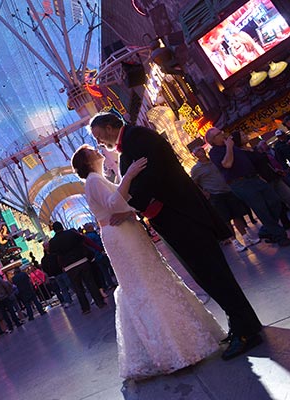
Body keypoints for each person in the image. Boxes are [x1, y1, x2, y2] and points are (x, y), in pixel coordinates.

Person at [90, 112, 262, 360]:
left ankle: (246, 331)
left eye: (98, 135)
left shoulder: (137, 139)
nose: (100, 142)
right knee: (208, 274)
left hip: (181, 217)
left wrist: (131, 201)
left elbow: (152, 178)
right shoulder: (131, 142)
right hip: (176, 217)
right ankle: (243, 323)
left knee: (213, 273)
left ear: (108, 126)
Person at [72, 144, 226, 379]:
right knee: (143, 281)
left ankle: (178, 342)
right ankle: (171, 348)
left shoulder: (98, 179)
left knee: (149, 277)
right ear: (86, 162)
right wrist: (130, 175)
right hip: (120, 235)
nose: (96, 151)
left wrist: (127, 198)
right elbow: (114, 203)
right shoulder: (93, 180)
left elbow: (123, 200)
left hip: (125, 231)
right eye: (91, 151)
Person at [205, 127, 290, 247]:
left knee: (275, 202)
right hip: (240, 183)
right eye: (219, 134)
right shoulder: (215, 152)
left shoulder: (233, 146)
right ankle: (280, 237)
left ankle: (266, 230)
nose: (222, 134)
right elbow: (227, 164)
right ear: (213, 139)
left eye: (221, 132)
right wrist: (229, 147)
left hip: (254, 178)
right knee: (261, 209)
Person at [190, 146, 260, 251]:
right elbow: (194, 184)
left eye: (202, 149)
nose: (202, 151)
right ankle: (235, 242)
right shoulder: (196, 169)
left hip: (228, 190)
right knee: (226, 220)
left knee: (237, 215)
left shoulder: (214, 162)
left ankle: (246, 237)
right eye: (198, 150)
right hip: (215, 195)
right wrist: (204, 192)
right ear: (195, 155)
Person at [49, 221, 106, 314]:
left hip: (69, 267)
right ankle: (100, 302)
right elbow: (82, 241)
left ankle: (85, 308)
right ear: (62, 227)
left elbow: (53, 253)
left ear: (54, 230)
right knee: (90, 283)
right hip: (82, 261)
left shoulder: (53, 242)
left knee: (78, 288)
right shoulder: (71, 234)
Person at [40, 241, 73, 308]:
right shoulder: (51, 256)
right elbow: (45, 268)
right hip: (56, 274)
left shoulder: (54, 254)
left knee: (69, 285)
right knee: (63, 288)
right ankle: (68, 300)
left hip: (60, 272)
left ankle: (78, 294)